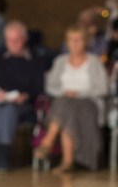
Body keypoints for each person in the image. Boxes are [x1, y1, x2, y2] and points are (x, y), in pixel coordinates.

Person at [37, 24, 109, 172]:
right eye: (72, 40)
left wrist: (79, 93)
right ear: (67, 42)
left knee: (66, 105)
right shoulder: (60, 61)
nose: (75, 44)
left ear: (85, 42)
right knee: (66, 106)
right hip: (64, 102)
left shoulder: (94, 62)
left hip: (89, 103)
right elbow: (50, 86)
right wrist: (65, 92)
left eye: (79, 40)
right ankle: (67, 161)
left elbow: (103, 88)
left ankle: (48, 141)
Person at [0, 20, 45, 171]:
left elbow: (38, 87)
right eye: (10, 40)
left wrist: (25, 96)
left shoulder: (34, 61)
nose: (14, 44)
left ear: (24, 40)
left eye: (17, 40)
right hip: (2, 100)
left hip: (24, 104)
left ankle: (3, 153)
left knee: (9, 110)